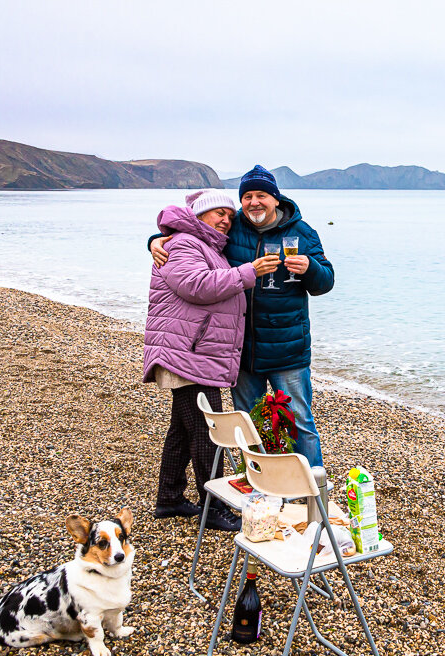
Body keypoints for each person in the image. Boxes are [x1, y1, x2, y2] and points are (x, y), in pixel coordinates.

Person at [151, 165, 334, 467]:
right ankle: (260, 487)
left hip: (287, 349)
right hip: (242, 349)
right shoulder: (232, 227)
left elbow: (325, 282)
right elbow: (190, 236)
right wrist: (155, 241)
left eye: (261, 195)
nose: (253, 202)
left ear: (276, 199)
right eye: (247, 196)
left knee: (300, 421)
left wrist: (311, 270)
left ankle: (312, 493)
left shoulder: (302, 233)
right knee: (248, 424)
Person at [143, 188, 280, 525]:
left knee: (182, 428)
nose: (226, 220)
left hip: (190, 349)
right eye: (220, 213)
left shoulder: (200, 244)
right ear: (201, 214)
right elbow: (196, 285)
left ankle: (170, 498)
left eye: (230, 217)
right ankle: (213, 507)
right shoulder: (186, 243)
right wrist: (249, 272)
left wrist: (153, 240)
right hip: (186, 351)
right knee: (207, 430)